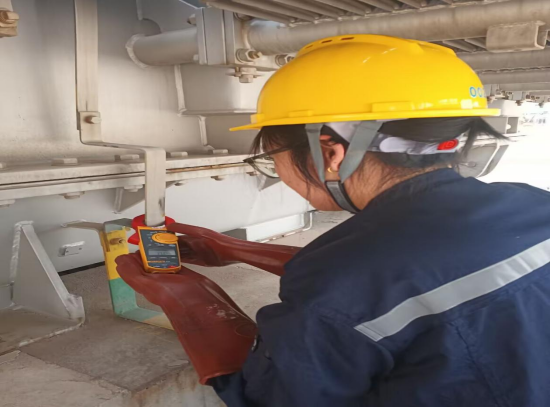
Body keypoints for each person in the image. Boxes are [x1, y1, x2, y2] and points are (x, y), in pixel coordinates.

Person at [116, 35, 550, 406]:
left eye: (272, 157)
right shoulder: (532, 204)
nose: (277, 171)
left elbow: (269, 395)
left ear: (330, 153)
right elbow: (407, 281)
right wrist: (234, 249)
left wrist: (186, 296)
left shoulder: (342, 279)